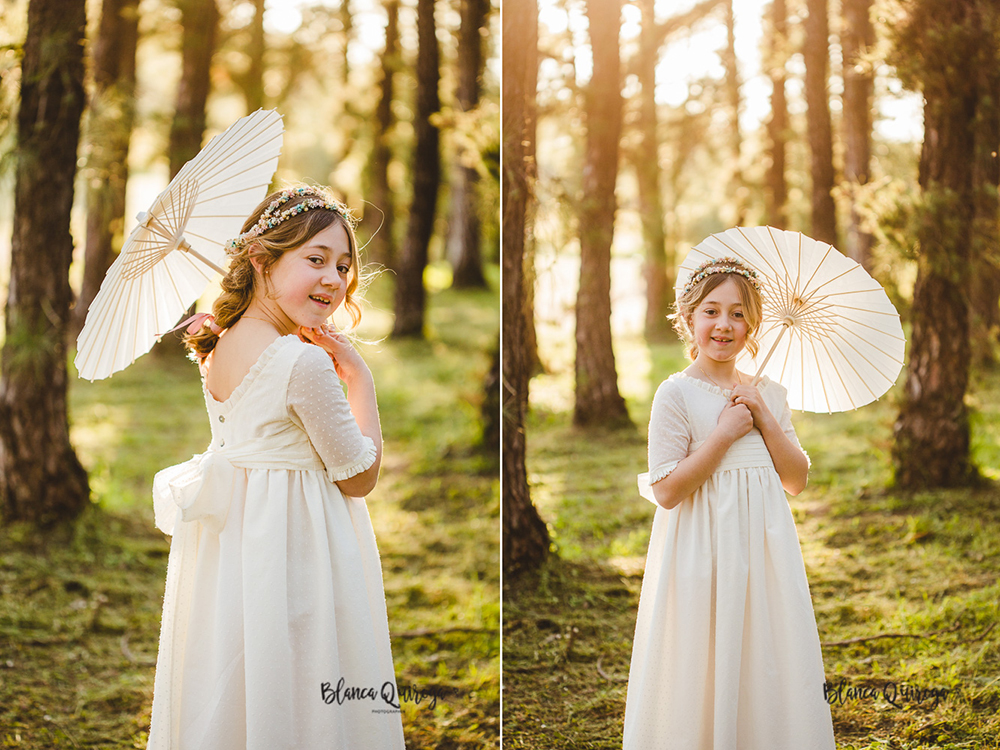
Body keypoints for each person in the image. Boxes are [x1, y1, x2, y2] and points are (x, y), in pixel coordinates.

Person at [146, 185, 406, 749]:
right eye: (314, 260)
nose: (334, 280)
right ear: (261, 260)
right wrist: (359, 378)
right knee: (303, 670)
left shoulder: (219, 344)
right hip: (296, 545)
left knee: (245, 674)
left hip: (239, 550)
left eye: (342, 265)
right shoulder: (302, 361)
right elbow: (359, 476)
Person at [623, 257, 836, 749]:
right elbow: (668, 491)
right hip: (702, 553)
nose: (724, 325)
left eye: (738, 314)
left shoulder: (769, 394)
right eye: (712, 311)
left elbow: (796, 479)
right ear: (688, 317)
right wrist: (722, 435)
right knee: (705, 654)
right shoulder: (674, 394)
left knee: (764, 650)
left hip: (763, 554)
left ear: (753, 323)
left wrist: (762, 414)